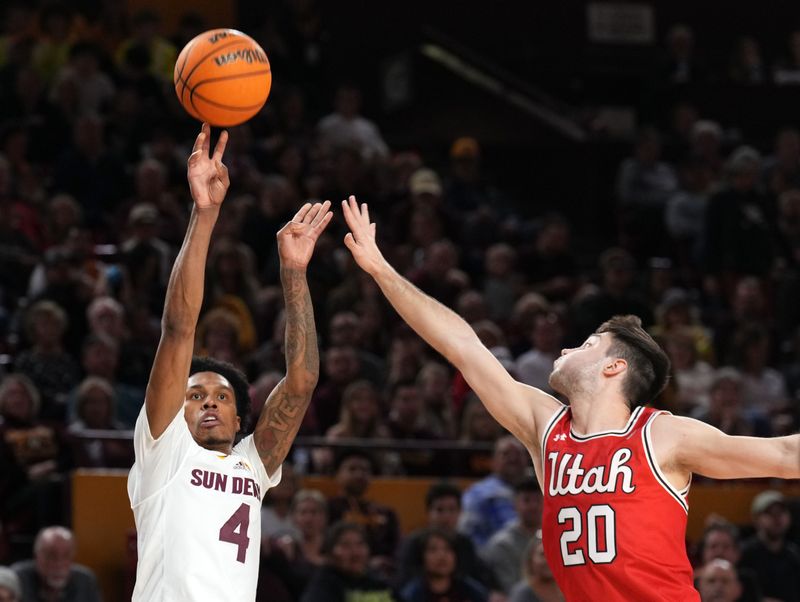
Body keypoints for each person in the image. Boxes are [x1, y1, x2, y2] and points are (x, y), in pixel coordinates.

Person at [339, 194, 800, 600]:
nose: (564, 348)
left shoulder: (662, 435)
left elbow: (782, 453)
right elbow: (464, 348)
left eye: (586, 345)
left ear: (614, 366)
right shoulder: (545, 427)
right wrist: (382, 269)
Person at [126, 124, 332, 601]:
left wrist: (294, 273)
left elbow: (301, 382)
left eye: (221, 396)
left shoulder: (252, 465)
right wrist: (205, 214)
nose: (210, 403)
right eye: (194, 396)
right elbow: (179, 328)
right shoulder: (165, 451)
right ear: (176, 411)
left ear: (241, 418)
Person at [299, 522, 394, 602]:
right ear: (330, 553)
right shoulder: (324, 586)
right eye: (346, 545)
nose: (355, 553)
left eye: (360, 544)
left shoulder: (377, 581)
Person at [481, 476, 543, 594]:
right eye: (526, 500)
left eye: (538, 500)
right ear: (514, 504)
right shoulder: (501, 544)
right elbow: (511, 590)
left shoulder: (557, 539)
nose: (533, 506)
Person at [11, 526, 101, 602]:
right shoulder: (17, 578)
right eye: (51, 555)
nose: (59, 563)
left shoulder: (85, 581)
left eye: (66, 556)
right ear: (36, 556)